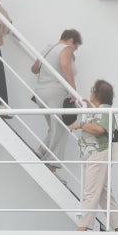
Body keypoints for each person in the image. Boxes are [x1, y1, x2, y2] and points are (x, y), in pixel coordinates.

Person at [75, 80, 118, 232]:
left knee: (90, 192)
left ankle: (83, 228)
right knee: (104, 194)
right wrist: (88, 105)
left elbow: (100, 129)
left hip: (98, 154)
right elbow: (98, 120)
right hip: (96, 154)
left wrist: (80, 125)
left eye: (91, 90)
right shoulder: (101, 109)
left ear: (97, 92)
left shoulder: (105, 110)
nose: (90, 92)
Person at [31, 28, 84, 161]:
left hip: (40, 93)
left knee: (54, 128)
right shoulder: (65, 48)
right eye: (75, 47)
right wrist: (73, 90)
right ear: (71, 40)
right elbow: (65, 65)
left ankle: (40, 152)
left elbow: (34, 69)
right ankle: (52, 163)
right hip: (55, 92)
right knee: (61, 128)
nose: (74, 50)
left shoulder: (49, 48)